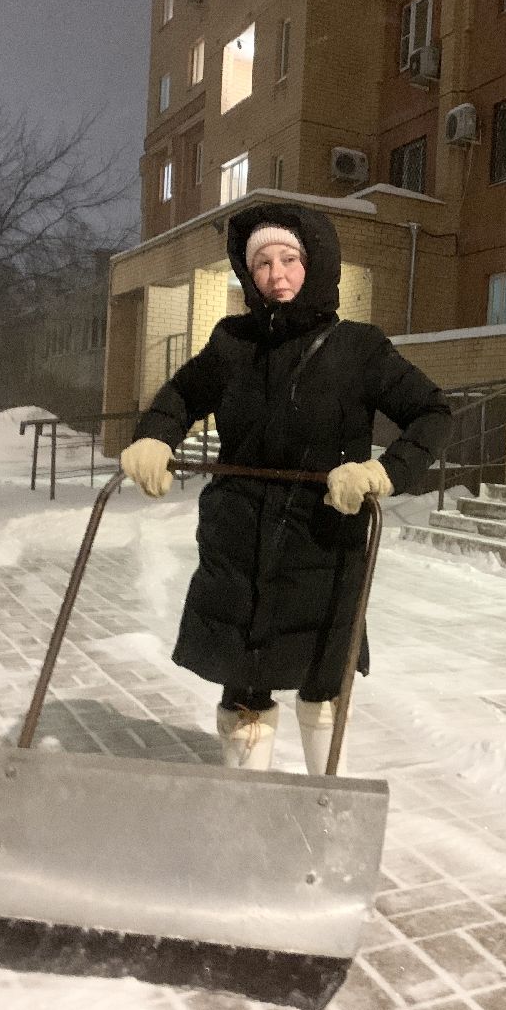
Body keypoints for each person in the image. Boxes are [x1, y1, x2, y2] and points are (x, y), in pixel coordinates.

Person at [118, 202, 450, 774]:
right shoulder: (231, 344)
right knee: (244, 680)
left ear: (315, 263)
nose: (276, 275)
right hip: (238, 538)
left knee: (321, 679)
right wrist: (154, 437)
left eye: (290, 259)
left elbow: (432, 413)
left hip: (323, 535)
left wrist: (383, 472)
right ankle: (249, 804)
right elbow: (179, 396)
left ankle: (326, 795)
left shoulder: (359, 348)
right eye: (263, 263)